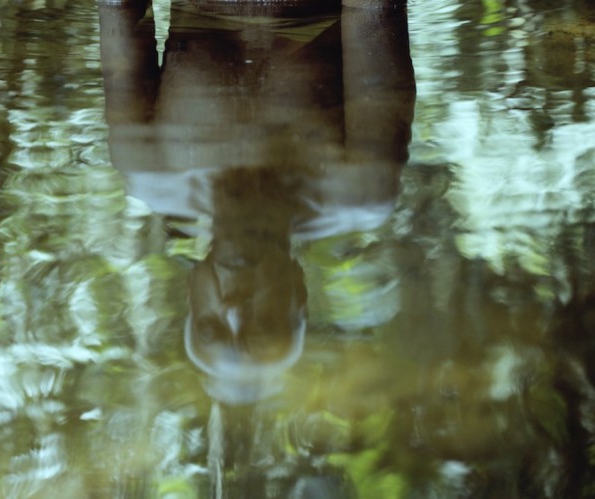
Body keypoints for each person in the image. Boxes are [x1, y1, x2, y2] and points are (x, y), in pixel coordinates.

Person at [99, 0, 415, 404]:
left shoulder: (148, 166)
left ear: (192, 291)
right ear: (299, 293)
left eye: (211, 326)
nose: (233, 307)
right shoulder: (360, 186)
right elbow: (374, 9)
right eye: (262, 325)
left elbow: (117, 6)